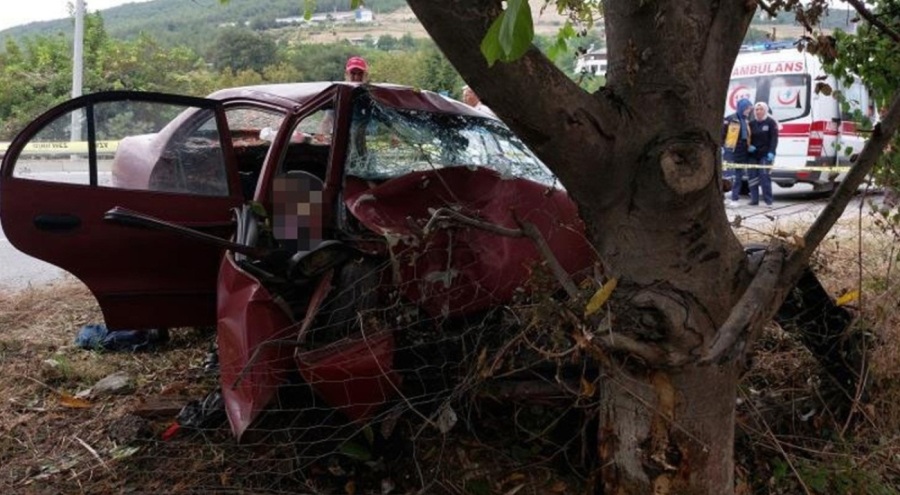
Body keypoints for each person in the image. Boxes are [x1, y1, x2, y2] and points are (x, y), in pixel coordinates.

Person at [722, 98, 754, 207]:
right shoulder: (731, 119)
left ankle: (735, 198)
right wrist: (723, 147)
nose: (748, 111)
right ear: (742, 107)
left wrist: (748, 146)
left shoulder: (746, 120)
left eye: (750, 109)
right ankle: (723, 197)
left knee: (739, 176)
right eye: (747, 109)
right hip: (731, 151)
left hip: (742, 151)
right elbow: (723, 134)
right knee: (728, 176)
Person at [748, 102, 779, 206]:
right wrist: (748, 147)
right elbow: (747, 138)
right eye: (757, 109)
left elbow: (774, 139)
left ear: (765, 110)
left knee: (764, 176)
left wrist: (772, 152)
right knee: (752, 177)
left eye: (761, 109)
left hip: (765, 154)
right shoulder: (751, 124)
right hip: (753, 155)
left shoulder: (771, 123)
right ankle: (754, 199)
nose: (758, 111)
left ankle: (768, 201)